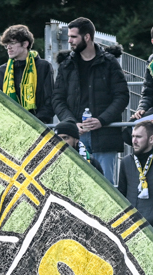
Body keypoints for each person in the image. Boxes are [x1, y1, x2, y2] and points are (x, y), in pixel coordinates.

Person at [54, 17, 131, 185]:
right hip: (75, 136)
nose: (69, 41)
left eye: (73, 37)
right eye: (69, 37)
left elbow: (122, 96)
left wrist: (102, 120)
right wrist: (71, 123)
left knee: (106, 186)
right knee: (74, 185)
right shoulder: (66, 65)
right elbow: (57, 99)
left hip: (104, 135)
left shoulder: (109, 63)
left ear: (87, 37)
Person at [0, 25, 55, 124]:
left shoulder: (43, 66)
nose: (8, 47)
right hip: (12, 125)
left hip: (40, 125)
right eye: (6, 44)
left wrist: (37, 122)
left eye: (12, 43)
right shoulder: (1, 72)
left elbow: (50, 100)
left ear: (25, 44)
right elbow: (0, 104)